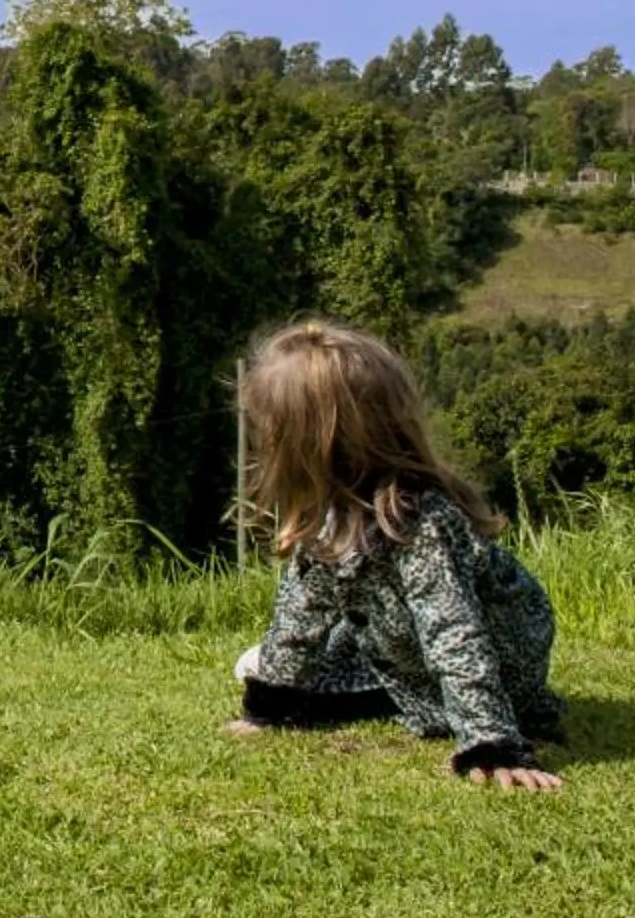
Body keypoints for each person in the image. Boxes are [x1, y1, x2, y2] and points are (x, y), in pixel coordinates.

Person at [227, 320, 566, 790]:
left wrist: (492, 745)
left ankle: (465, 714)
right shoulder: (332, 516)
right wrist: (270, 708)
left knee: (281, 667)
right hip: (399, 643)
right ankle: (359, 694)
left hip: (498, 668)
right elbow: (302, 612)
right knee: (257, 664)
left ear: (304, 442)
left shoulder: (420, 519)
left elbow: (454, 632)